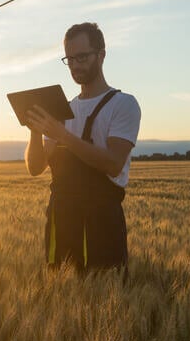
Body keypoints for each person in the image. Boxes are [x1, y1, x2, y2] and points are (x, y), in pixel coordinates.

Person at [24, 22, 141, 273]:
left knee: (105, 298)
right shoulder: (61, 110)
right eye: (70, 59)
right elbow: (35, 167)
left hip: (101, 222)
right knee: (62, 300)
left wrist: (63, 136)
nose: (75, 65)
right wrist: (35, 129)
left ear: (101, 55)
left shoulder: (124, 104)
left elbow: (113, 163)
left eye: (82, 57)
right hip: (60, 221)